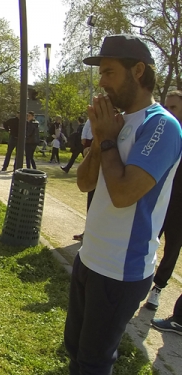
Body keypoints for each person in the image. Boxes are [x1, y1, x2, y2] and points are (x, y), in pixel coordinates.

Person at [64, 34, 182, 375]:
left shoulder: (162, 125)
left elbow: (124, 193)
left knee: (94, 363)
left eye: (109, 72)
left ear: (138, 71)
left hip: (121, 270)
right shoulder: (115, 122)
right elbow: (85, 182)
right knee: (75, 351)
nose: (101, 82)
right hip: (89, 260)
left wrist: (109, 139)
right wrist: (101, 139)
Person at [145, 90, 182, 311]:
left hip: (180, 202)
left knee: (173, 246)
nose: (168, 112)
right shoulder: (160, 131)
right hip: (159, 196)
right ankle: (139, 278)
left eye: (174, 107)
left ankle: (157, 288)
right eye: (166, 107)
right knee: (148, 237)